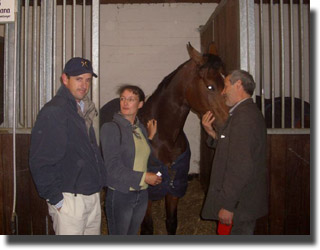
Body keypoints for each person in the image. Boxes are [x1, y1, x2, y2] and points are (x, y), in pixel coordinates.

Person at [29, 57, 106, 235]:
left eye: (87, 79)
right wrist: (56, 199)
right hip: (70, 199)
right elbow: (40, 160)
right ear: (65, 79)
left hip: (91, 194)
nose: (84, 85)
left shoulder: (83, 109)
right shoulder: (55, 111)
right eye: (78, 79)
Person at [201, 69, 268, 235]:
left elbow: (241, 166)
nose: (223, 92)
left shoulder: (243, 118)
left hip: (239, 206)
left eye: (225, 86)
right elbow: (234, 149)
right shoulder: (244, 113)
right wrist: (212, 133)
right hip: (242, 203)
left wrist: (228, 206)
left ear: (238, 85)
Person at [100, 85, 162, 235]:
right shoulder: (111, 128)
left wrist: (150, 139)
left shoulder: (139, 128)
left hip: (141, 194)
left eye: (131, 99)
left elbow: (142, 156)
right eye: (123, 99)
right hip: (121, 194)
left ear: (140, 104)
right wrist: (144, 176)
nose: (125, 103)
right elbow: (112, 168)